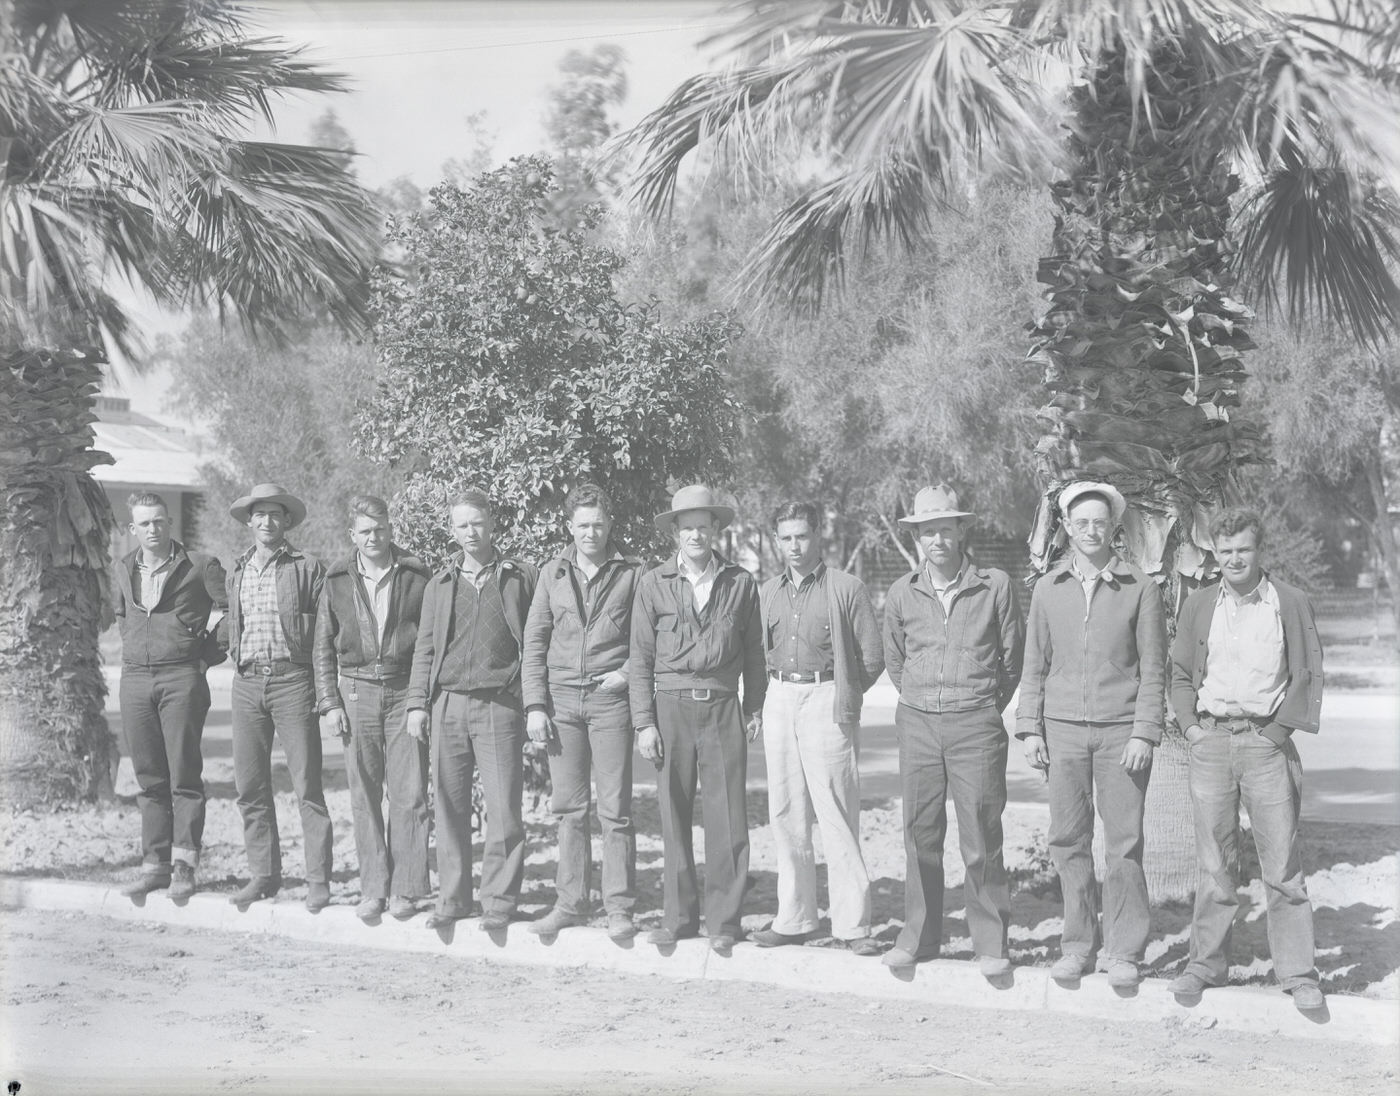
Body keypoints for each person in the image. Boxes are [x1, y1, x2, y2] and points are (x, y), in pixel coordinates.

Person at [1168, 508, 1326, 1012]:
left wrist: (1278, 733)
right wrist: (1192, 728)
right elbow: (1178, 673)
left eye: (1244, 549)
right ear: (1215, 553)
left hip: (1265, 744)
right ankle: (1204, 966)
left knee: (1281, 865)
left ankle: (1299, 973)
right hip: (1211, 742)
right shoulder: (1198, 605)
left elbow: (1309, 671)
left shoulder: (1290, 603)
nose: (1235, 558)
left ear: (1260, 551)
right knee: (1215, 864)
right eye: (1226, 550)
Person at [1016, 480, 1166, 989]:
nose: (1091, 530)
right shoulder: (1047, 588)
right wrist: (1030, 728)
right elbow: (1034, 665)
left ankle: (1124, 950)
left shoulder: (1139, 587)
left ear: (1114, 528)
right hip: (1061, 735)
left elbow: (1153, 670)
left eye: (1100, 522)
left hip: (1121, 734)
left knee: (1123, 845)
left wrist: (1144, 732)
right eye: (1081, 523)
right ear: (1066, 528)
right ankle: (1078, 945)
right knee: (1068, 840)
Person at [881, 485, 1025, 976]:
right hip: (917, 723)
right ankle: (919, 939)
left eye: (945, 528)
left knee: (981, 835)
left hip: (975, 725)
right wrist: (923, 700)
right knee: (920, 833)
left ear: (962, 531)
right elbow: (896, 661)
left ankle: (990, 944)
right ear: (917, 538)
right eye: (926, 531)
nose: (936, 539)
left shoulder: (994, 586)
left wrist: (978, 705)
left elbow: (1011, 660)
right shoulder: (903, 592)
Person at [630, 484, 766, 953]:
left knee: (728, 816)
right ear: (675, 532)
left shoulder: (740, 582)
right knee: (673, 813)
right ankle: (678, 918)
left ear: (715, 530)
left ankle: (725, 922)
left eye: (702, 526)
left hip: (723, 706)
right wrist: (644, 723)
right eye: (686, 527)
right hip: (670, 708)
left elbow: (754, 653)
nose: (695, 534)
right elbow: (640, 657)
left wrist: (754, 707)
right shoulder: (652, 583)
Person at [750, 501, 885, 957]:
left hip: (826, 698)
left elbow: (871, 656)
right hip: (779, 697)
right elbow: (758, 652)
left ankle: (852, 925)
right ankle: (796, 918)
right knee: (786, 812)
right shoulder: (766, 591)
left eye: (801, 536)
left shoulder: (846, 588)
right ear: (775, 540)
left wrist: (842, 692)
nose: (794, 546)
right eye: (785, 537)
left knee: (836, 813)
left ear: (817, 536)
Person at [406, 489, 539, 932]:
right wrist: (417, 706)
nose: (470, 531)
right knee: (449, 806)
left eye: (477, 522)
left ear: (491, 522)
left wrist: (528, 695)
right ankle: (453, 898)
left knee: (503, 807)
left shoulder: (519, 577)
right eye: (461, 524)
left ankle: (499, 901)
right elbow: (424, 649)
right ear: (452, 529)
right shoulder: (439, 585)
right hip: (447, 705)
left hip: (499, 705)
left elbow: (536, 641)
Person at [521, 483, 644, 941]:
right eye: (582, 525)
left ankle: (619, 908)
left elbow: (646, 640)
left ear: (610, 524)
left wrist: (628, 674)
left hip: (610, 701)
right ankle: (571, 903)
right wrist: (535, 704)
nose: (591, 532)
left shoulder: (633, 572)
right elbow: (535, 640)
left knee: (616, 810)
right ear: (569, 527)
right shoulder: (551, 574)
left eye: (598, 523)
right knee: (569, 809)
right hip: (561, 705)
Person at [313, 495, 433, 924]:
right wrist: (329, 702)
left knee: (410, 792)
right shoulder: (336, 579)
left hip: (403, 693)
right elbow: (322, 646)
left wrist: (420, 698)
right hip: (357, 692)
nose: (373, 537)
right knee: (364, 794)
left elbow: (427, 644)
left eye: (379, 529)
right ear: (353, 535)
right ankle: (373, 889)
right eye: (364, 531)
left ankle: (406, 889)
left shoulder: (416, 575)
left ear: (390, 528)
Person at [112, 491, 227, 900]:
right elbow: (123, 615)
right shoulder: (124, 569)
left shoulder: (199, 566)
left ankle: (184, 867)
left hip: (182, 678)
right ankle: (154, 866)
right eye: (145, 523)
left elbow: (234, 611)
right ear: (133, 529)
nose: (153, 529)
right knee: (149, 779)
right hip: (135, 681)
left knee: (183, 777)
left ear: (169, 522)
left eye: (159, 521)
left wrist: (206, 654)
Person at [225, 483, 331, 912]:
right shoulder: (238, 570)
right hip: (247, 684)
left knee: (307, 784)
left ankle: (319, 880)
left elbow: (325, 632)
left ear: (286, 521)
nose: (266, 522)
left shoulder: (307, 567)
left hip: (293, 682)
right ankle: (264, 875)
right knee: (250, 785)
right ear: (249, 522)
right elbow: (233, 626)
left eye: (274, 514)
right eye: (259, 515)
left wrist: (326, 691)